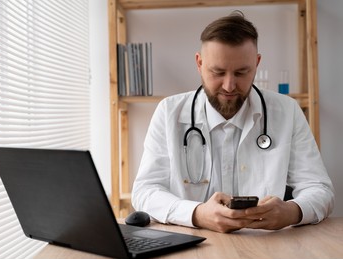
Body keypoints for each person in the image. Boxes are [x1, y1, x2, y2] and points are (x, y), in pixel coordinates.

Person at [131, 11, 334, 233]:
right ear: (199, 63)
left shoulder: (287, 111)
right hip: (192, 247)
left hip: (267, 247)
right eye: (217, 72)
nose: (229, 86)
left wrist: (292, 211)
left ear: (256, 64)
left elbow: (319, 189)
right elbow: (145, 191)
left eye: (241, 72)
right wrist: (197, 214)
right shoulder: (169, 112)